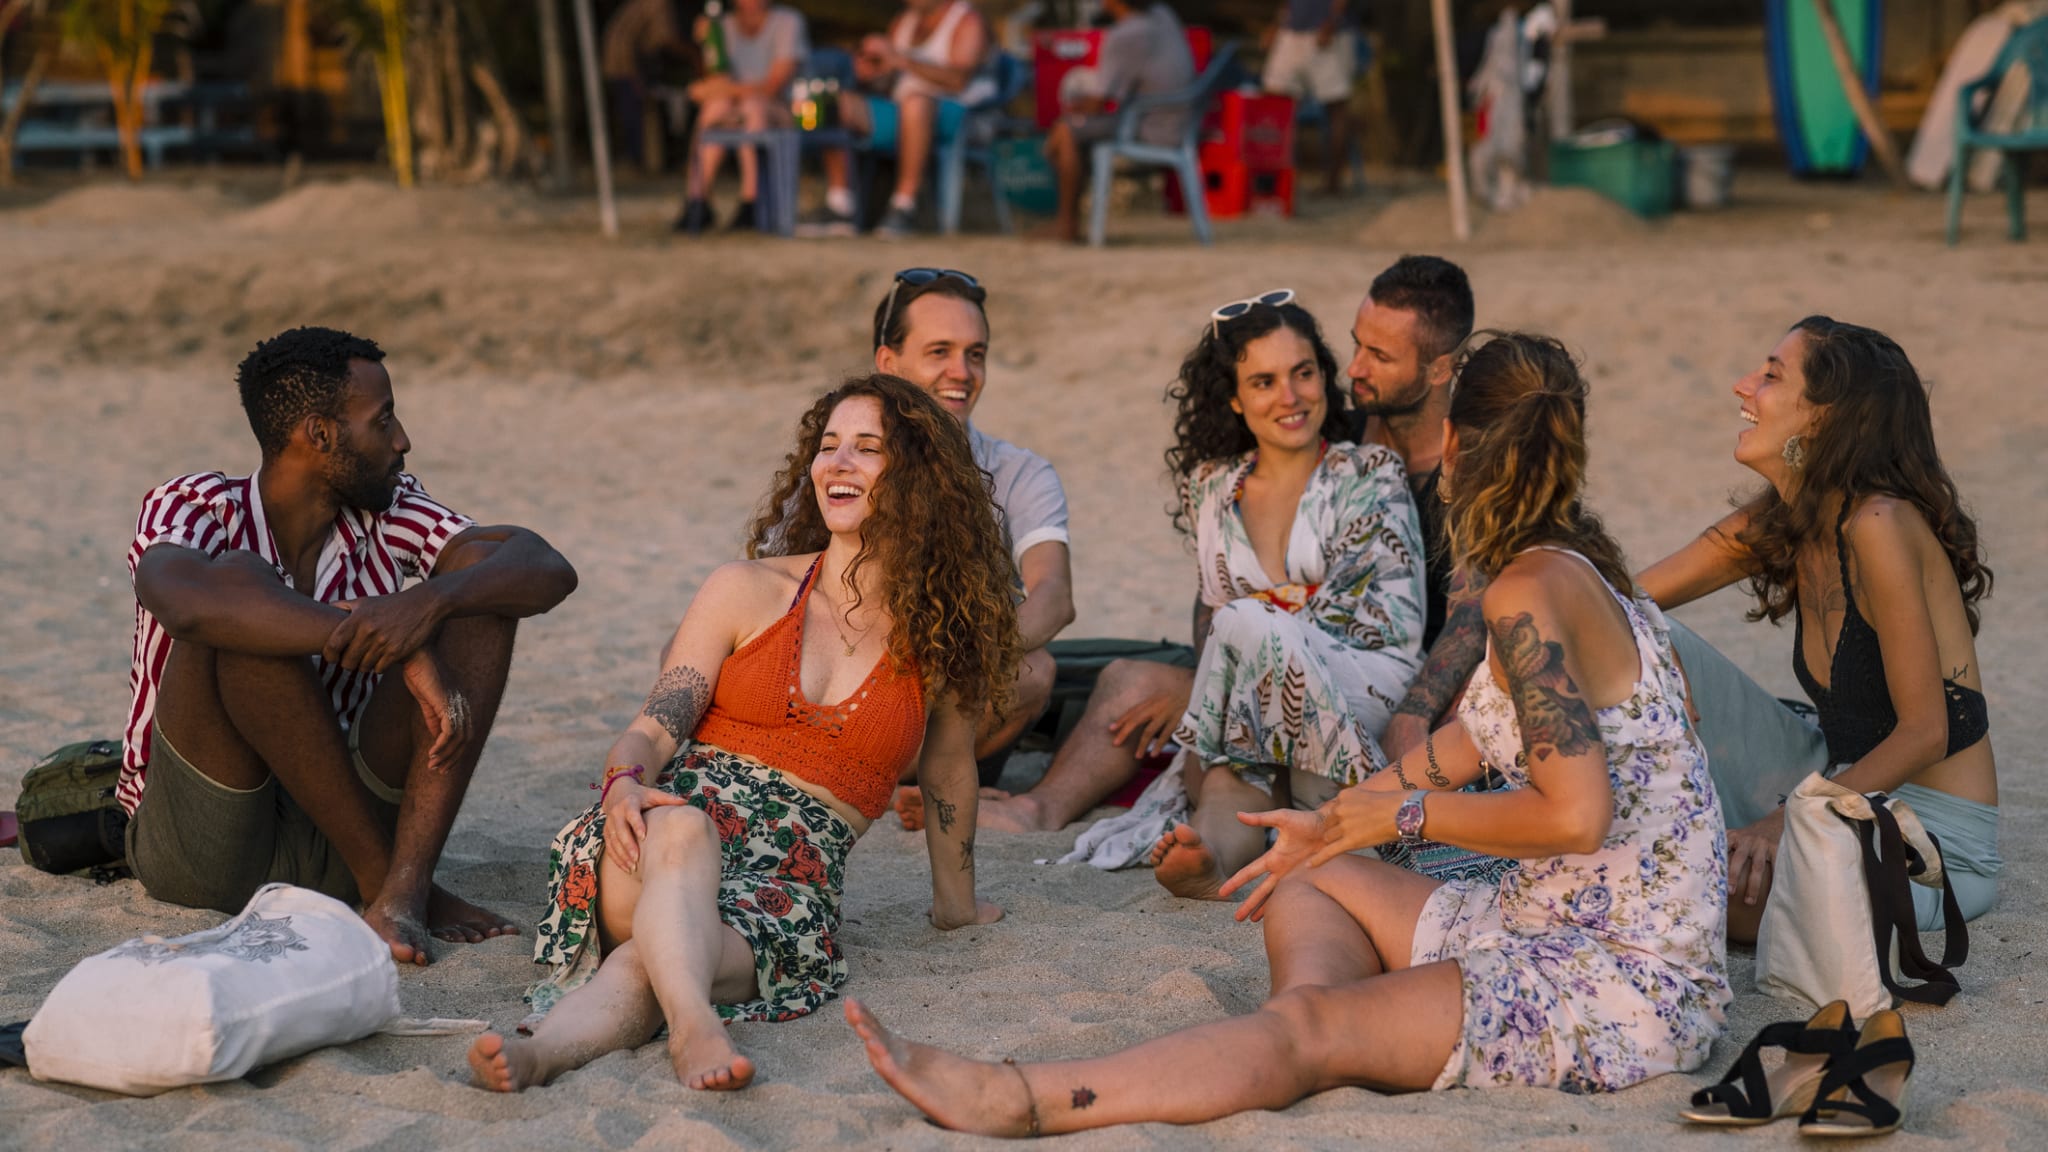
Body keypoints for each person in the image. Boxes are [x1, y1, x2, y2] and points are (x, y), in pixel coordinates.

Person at [842, 332, 1730, 1134]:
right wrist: (1339, 821)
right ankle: (1313, 1032)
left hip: (1618, 981)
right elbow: (1461, 750)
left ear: (1454, 445)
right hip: (1543, 918)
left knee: (1306, 1020)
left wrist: (1397, 822)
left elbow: (1573, 816)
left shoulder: (1527, 593)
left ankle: (1032, 1098)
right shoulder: (1578, 569)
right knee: (1309, 873)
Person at [472, 375, 1015, 1094]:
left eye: (868, 448)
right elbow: (653, 731)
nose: (837, 464)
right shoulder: (747, 589)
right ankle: (696, 1028)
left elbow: (947, 773)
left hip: (786, 894)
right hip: (653, 843)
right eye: (827, 447)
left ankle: (541, 1055)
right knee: (685, 832)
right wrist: (623, 787)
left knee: (655, 959)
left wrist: (956, 908)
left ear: (921, 478)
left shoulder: (938, 642)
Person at [122, 327, 578, 964]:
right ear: (319, 434)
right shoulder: (198, 504)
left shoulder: (387, 510)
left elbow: (544, 567)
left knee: (483, 591)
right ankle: (381, 884)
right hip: (206, 846)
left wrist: (429, 603)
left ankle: (404, 890)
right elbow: (181, 602)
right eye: (382, 418)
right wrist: (395, 644)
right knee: (242, 592)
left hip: (340, 818)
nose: (402, 439)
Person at [977, 256, 1471, 841]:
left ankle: (1245, 833)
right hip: (1259, 666)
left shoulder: (1468, 469)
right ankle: (1042, 808)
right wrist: (1217, 674)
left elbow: (1472, 619)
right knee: (1126, 681)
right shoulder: (1336, 427)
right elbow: (1214, 599)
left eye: (1379, 357)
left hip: (1411, 684)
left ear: (1441, 369)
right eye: (1355, 346)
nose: (1355, 370)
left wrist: (1414, 714)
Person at [1637, 317, 2000, 938]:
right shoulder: (1787, 518)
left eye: (1772, 375)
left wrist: (1785, 821)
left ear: (1826, 418)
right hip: (1833, 779)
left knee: (1686, 897)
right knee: (1632, 633)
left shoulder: (1881, 523)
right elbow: (1609, 600)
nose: (1743, 386)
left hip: (1930, 842)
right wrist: (1647, 653)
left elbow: (1924, 732)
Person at [1061, 291, 1426, 900]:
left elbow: (1379, 621)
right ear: (1235, 399)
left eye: (1303, 373)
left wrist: (1232, 656)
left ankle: (1321, 818)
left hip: (1365, 677)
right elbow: (1211, 610)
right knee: (1237, 757)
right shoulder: (1210, 488)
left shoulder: (1370, 473)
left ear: (1322, 379)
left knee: (1250, 629)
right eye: (1264, 381)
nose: (1290, 397)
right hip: (1256, 705)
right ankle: (1213, 862)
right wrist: (1236, 658)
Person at [865, 269, 1074, 781]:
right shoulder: (841, 463)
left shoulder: (1019, 472)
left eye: (974, 354)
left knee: (1034, 672)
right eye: (939, 352)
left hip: (955, 684)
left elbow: (1054, 595)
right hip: (853, 676)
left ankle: (898, 779)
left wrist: (955, 655)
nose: (962, 371)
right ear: (888, 363)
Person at [801, 0, 993, 239]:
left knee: (916, 102)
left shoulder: (966, 20)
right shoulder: (903, 21)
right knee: (835, 100)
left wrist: (902, 60)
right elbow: (889, 82)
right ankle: (840, 205)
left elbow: (958, 81)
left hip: (955, 115)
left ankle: (904, 206)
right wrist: (872, 72)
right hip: (899, 108)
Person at [1035, 0, 1195, 244]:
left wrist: (1071, 106)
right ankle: (1068, 222)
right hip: (1179, 121)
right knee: (1067, 130)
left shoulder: (1125, 36)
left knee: (1065, 131)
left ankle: (1067, 224)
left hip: (1149, 126)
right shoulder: (1163, 14)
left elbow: (1098, 102)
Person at [675, 0, 810, 234]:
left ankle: (752, 200)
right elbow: (717, 75)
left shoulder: (788, 21)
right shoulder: (723, 25)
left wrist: (720, 90)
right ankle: (698, 199)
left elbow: (773, 86)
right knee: (715, 108)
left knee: (752, 107)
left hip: (779, 109)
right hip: (735, 107)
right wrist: (707, 46)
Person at [1262, 0, 1359, 195]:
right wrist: (1277, 23)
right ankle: (1272, 177)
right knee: (1274, 98)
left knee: (1336, 105)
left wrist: (1333, 20)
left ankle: (1333, 183)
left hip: (1330, 30)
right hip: (1293, 28)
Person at [602, 0, 689, 172]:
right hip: (624, 62)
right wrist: (692, 55)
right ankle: (636, 162)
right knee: (633, 112)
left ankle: (641, 161)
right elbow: (664, 39)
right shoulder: (658, 4)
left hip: (622, 60)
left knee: (634, 110)